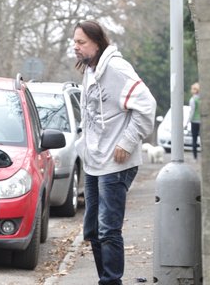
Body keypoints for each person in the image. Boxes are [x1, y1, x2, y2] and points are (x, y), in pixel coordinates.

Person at [73, 20, 157, 285]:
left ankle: (111, 281)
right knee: (93, 229)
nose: (76, 47)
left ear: (97, 43)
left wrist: (127, 142)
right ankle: (105, 279)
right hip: (94, 162)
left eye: (81, 42)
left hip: (116, 162)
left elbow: (147, 106)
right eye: (74, 42)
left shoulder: (117, 69)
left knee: (109, 229)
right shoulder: (90, 70)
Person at [188, 82, 201, 160]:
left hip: (194, 121)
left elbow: (192, 111)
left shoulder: (193, 99)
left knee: (194, 139)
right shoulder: (201, 99)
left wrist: (188, 121)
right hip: (202, 121)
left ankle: (195, 157)